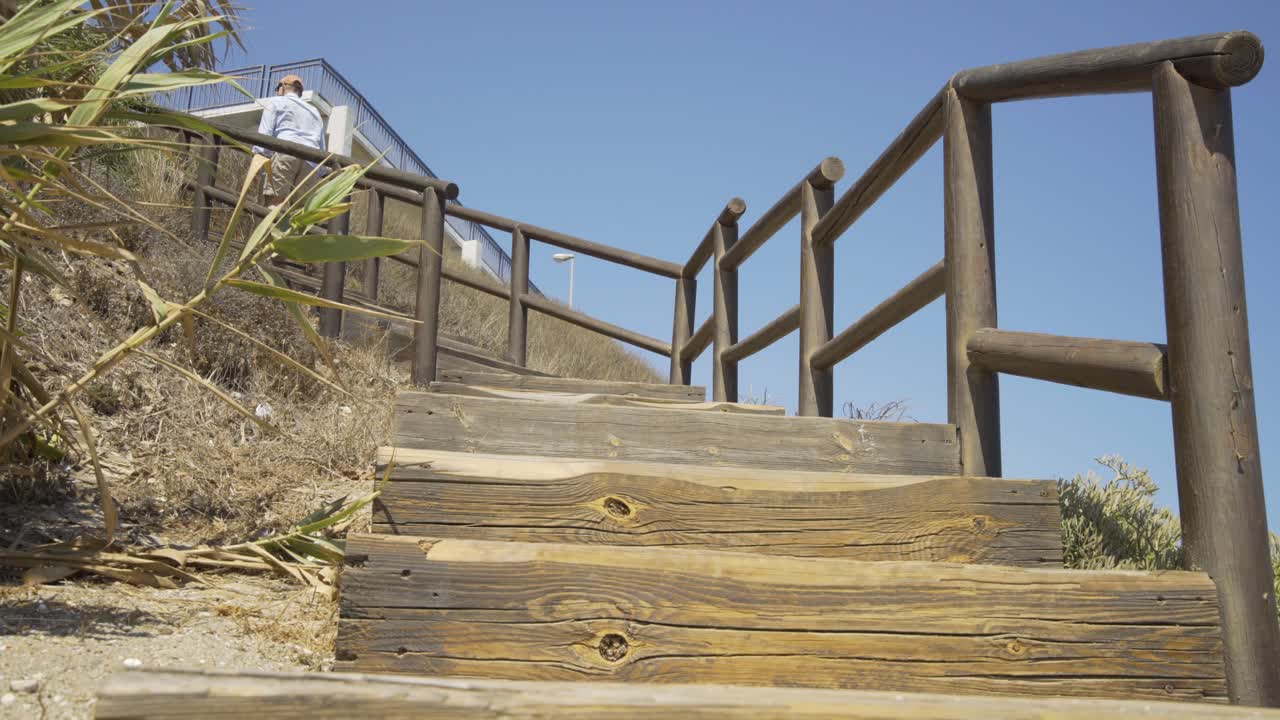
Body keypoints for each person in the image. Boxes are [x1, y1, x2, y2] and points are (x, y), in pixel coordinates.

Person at [253, 73, 325, 207]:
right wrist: (320, 173)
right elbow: (321, 147)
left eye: (278, 88)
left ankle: (271, 228)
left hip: (286, 152)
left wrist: (258, 163)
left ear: (283, 87)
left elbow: (264, 136)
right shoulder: (314, 111)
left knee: (275, 203)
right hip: (311, 161)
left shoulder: (276, 102)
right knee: (300, 211)